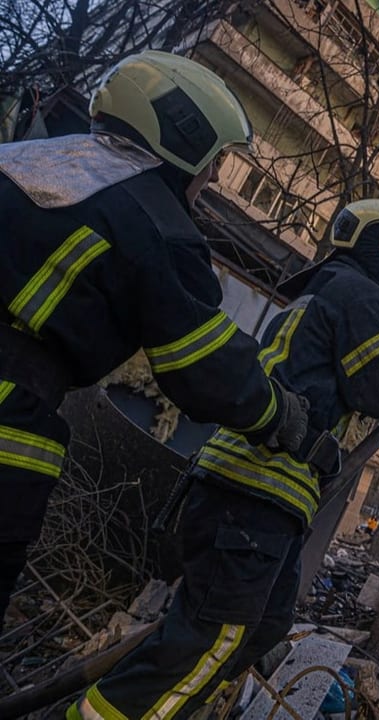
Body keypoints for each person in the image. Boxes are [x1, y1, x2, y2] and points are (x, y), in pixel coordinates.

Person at [70, 198, 379, 719]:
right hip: (256, 490)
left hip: (256, 491)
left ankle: (157, 695)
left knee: (263, 626)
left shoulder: (332, 292)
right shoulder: (359, 293)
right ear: (355, 236)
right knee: (216, 638)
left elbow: (361, 360)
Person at [0, 50, 312, 631]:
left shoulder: (30, 158)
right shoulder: (156, 222)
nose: (215, 176)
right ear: (183, 134)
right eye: (216, 160)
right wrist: (282, 416)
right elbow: (205, 368)